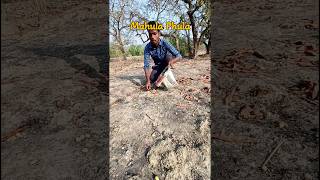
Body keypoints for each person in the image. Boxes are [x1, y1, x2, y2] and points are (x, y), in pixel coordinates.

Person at [143, 21, 182, 91]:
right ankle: (162, 74)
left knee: (168, 57)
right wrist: (148, 81)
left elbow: (179, 56)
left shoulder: (165, 42)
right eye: (150, 34)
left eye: (154, 34)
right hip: (159, 65)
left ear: (159, 34)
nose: (152, 37)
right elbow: (146, 65)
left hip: (167, 62)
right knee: (152, 78)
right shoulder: (147, 47)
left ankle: (167, 72)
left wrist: (172, 62)